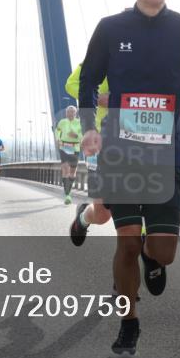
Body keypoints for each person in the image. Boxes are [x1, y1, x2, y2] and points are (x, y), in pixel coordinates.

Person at [79, 0, 180, 358]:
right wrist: (88, 130)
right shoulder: (110, 28)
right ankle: (129, 324)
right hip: (120, 153)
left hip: (165, 158)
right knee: (127, 245)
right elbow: (87, 81)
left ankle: (154, 262)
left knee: (161, 251)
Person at [66, 62, 113, 246]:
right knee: (102, 215)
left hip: (136, 141)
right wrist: (98, 98)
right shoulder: (104, 50)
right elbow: (71, 84)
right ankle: (82, 219)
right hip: (99, 141)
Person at [55, 106, 83, 204]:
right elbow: (57, 130)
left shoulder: (79, 123)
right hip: (63, 147)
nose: (69, 114)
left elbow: (83, 135)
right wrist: (58, 138)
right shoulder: (62, 122)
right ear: (66, 113)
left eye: (72, 112)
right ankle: (67, 194)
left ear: (75, 113)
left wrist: (76, 136)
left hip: (75, 148)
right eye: (68, 112)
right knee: (65, 169)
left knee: (72, 172)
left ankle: (69, 190)